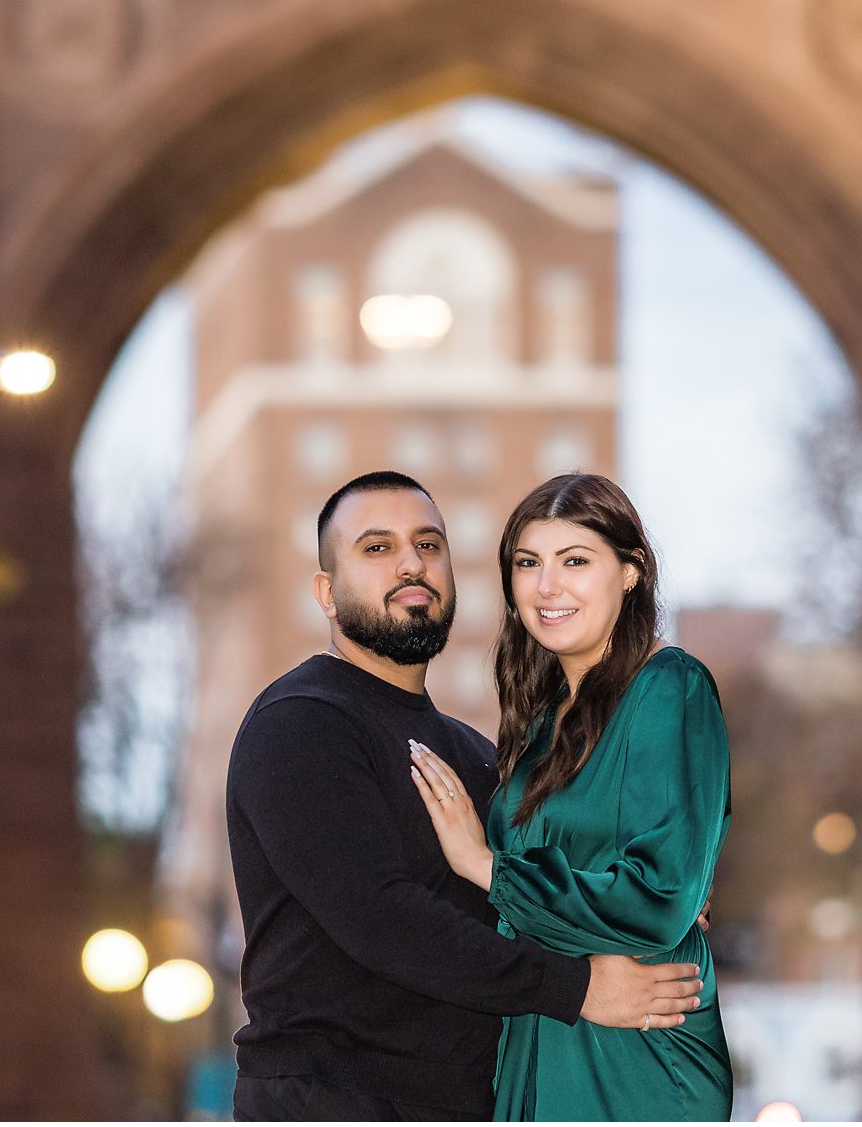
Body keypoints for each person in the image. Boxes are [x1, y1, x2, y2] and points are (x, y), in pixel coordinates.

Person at [225, 470, 706, 1121]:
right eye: (376, 547)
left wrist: (644, 902)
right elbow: (383, 918)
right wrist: (580, 986)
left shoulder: (478, 757)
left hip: (470, 1102)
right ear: (327, 593)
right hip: (331, 1097)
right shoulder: (301, 722)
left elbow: (532, 895)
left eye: (429, 544)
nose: (410, 562)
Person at [408, 472, 733, 1121]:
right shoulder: (538, 725)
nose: (547, 585)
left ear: (631, 570)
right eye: (528, 563)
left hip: (638, 1052)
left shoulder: (670, 686)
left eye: (575, 560)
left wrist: (486, 865)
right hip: (541, 1038)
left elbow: (659, 898)